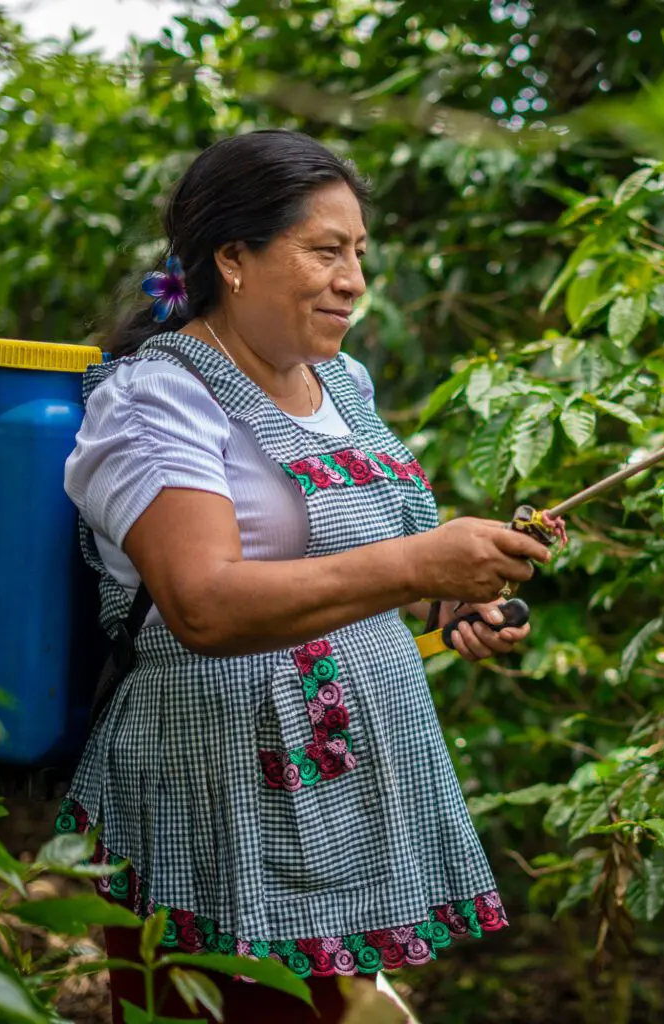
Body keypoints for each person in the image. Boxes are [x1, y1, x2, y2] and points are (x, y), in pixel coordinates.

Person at [52, 129, 551, 1024]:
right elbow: (202, 605)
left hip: (351, 796)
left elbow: (372, 566)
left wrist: (457, 598)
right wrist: (417, 564)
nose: (353, 279)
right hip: (213, 798)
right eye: (325, 250)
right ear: (233, 258)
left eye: (358, 252)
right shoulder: (157, 398)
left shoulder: (344, 383)